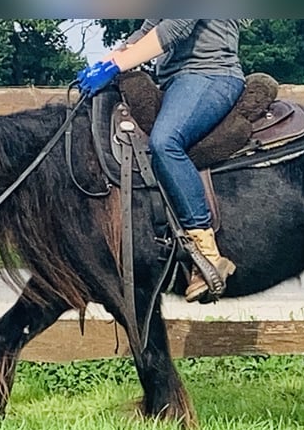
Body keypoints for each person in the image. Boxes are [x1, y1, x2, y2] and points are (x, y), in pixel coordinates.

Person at [76, 19, 246, 303]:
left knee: (165, 141)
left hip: (210, 75)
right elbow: (148, 29)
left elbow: (174, 29)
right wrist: (106, 60)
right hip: (174, 81)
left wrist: (117, 66)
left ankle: (207, 254)